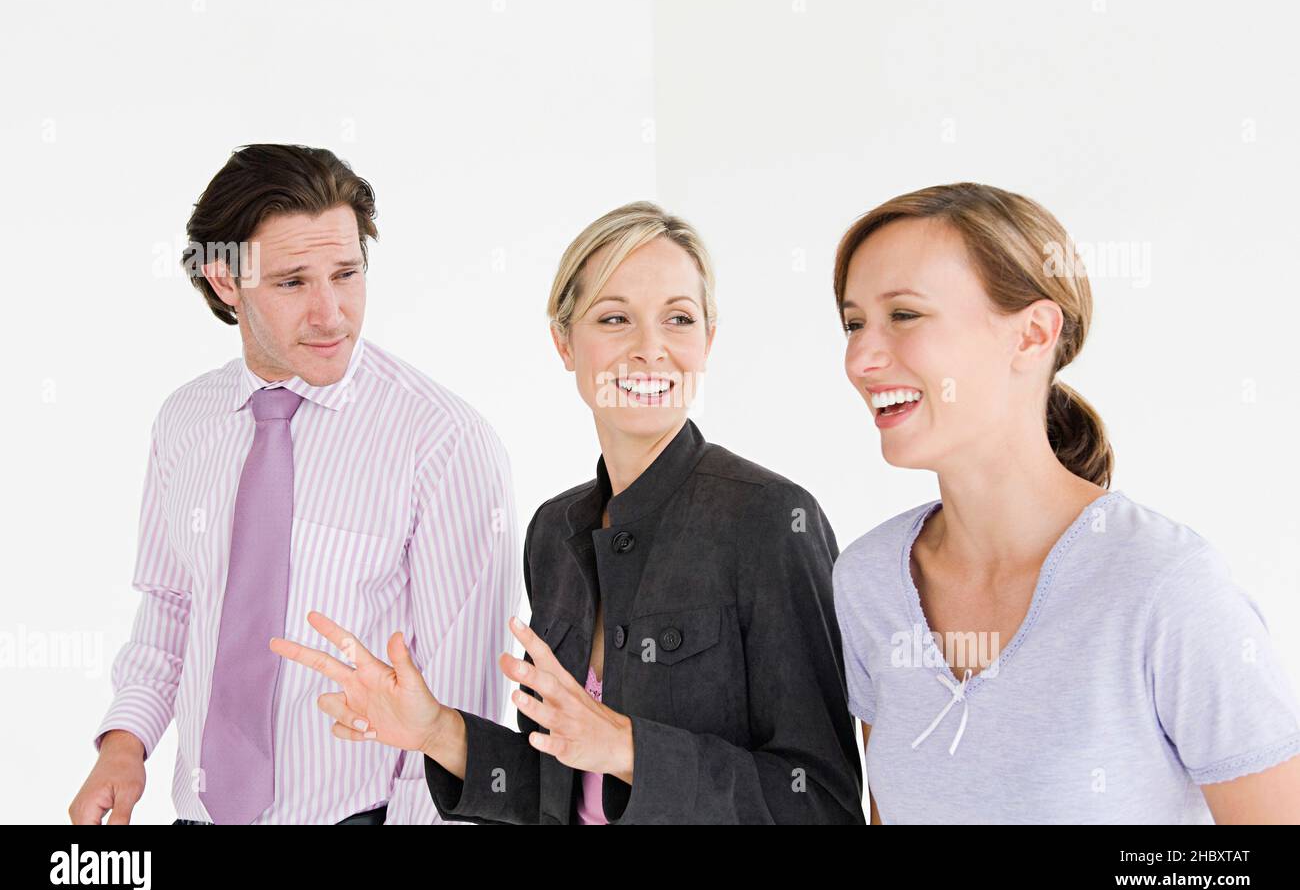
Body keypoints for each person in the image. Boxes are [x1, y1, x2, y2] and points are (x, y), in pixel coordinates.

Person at [272, 201, 865, 823]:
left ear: (708, 341)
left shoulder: (771, 519)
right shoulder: (555, 532)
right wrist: (436, 731)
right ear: (563, 341)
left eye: (679, 319)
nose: (650, 349)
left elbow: (820, 801)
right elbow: (558, 787)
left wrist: (631, 750)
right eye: (615, 318)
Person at [69, 144, 519, 825]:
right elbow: (171, 607)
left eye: (346, 274)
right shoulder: (185, 421)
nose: (331, 313)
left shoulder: (444, 441)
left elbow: (465, 702)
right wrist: (125, 743)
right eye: (292, 282)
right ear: (226, 282)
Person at [831, 182, 1300, 823]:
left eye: (904, 315)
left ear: (1032, 334)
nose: (861, 357)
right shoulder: (869, 580)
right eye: (854, 324)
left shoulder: (1165, 587)